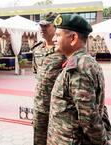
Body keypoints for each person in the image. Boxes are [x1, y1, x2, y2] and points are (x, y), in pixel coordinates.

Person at [47, 14, 110, 144]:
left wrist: (103, 142)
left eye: (58, 35)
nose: (54, 38)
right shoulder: (83, 62)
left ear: (73, 38)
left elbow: (89, 118)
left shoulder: (79, 68)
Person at [32, 12, 66, 145]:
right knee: (38, 140)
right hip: (40, 106)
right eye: (40, 25)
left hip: (58, 107)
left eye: (46, 26)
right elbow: (37, 74)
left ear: (56, 27)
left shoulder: (64, 50)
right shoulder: (37, 50)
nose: (42, 28)